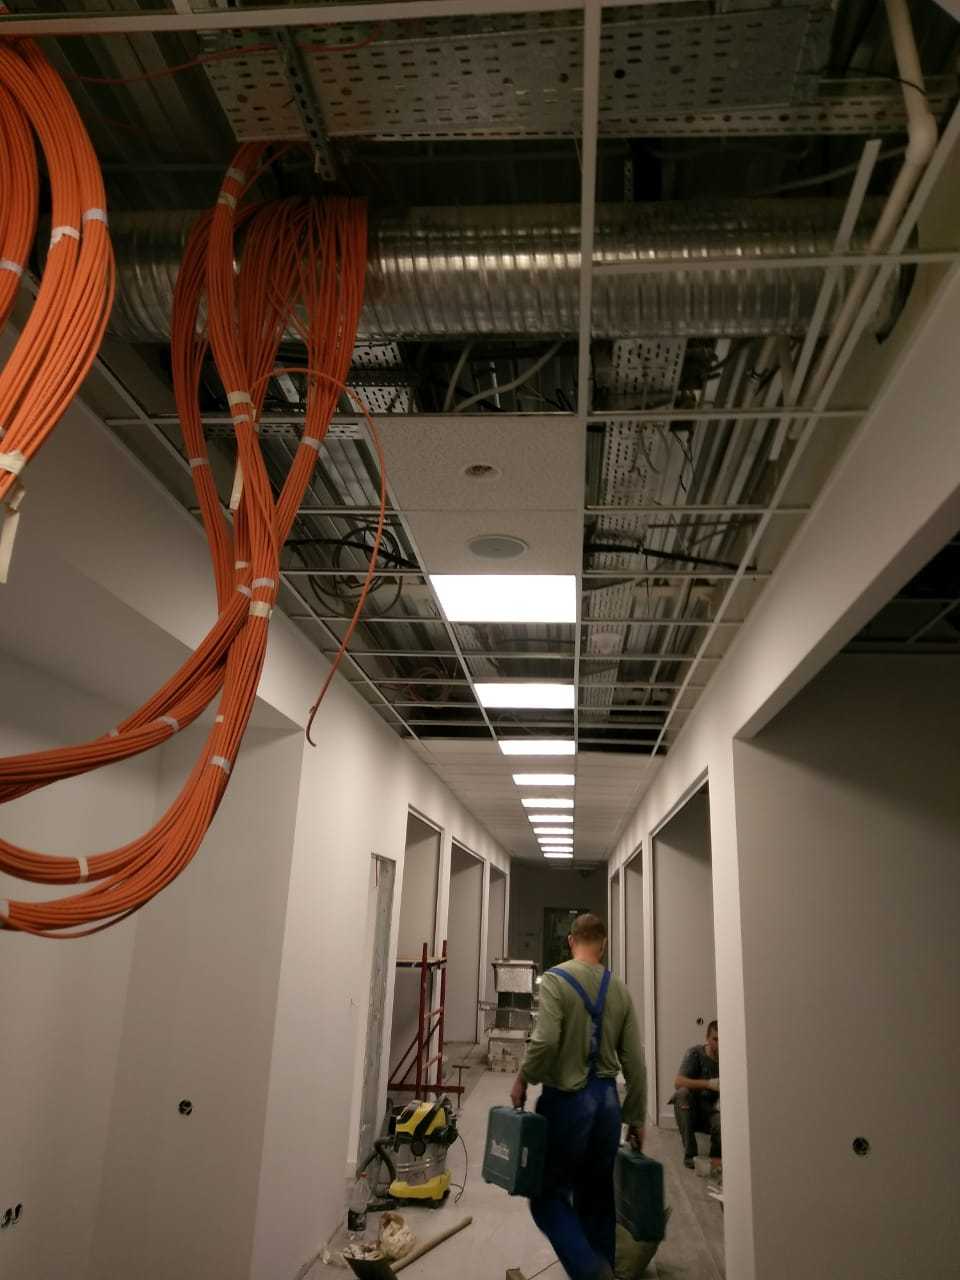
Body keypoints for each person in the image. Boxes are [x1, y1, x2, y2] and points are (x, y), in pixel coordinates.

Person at [510, 912, 647, 1280]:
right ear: (604, 944)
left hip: (568, 1104)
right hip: (607, 1105)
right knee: (597, 1198)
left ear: (571, 940)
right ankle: (604, 1267)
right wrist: (636, 1117)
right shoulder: (619, 990)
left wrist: (523, 1077)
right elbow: (635, 1063)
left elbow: (545, 1041)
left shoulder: (556, 979)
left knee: (547, 1197)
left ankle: (592, 1271)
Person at [671, 1020, 720, 1169]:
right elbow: (678, 1082)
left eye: (722, 1039)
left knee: (721, 1121)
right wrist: (708, 1084)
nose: (718, 1044)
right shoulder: (696, 1053)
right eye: (715, 1039)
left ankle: (716, 1159)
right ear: (707, 1038)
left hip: (713, 1112)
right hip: (692, 1110)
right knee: (681, 1094)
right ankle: (690, 1155)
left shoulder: (729, 1059)